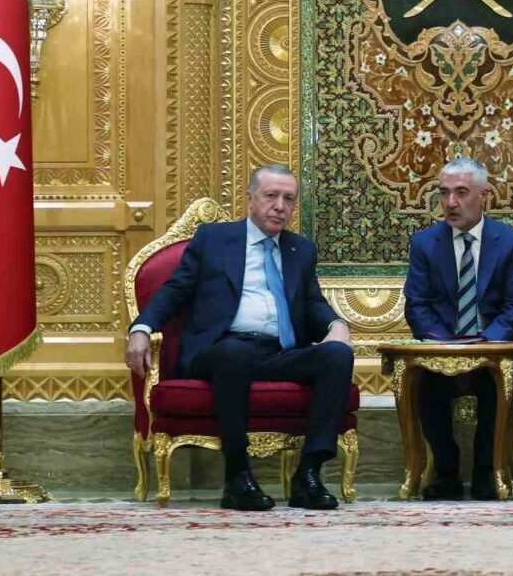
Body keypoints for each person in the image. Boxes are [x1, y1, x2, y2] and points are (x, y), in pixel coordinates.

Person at [125, 165, 354, 512]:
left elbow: (312, 303)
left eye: (288, 199)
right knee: (235, 354)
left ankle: (308, 474)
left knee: (337, 355)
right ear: (250, 199)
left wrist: (337, 325)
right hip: (221, 350)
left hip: (278, 352)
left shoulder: (300, 250)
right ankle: (237, 476)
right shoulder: (214, 239)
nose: (280, 206)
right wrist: (141, 328)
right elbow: (175, 290)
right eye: (271, 196)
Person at [402, 158, 513, 500]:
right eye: (444, 193)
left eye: (461, 193)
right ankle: (446, 472)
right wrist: (449, 348)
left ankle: (487, 471)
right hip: (442, 348)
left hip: (491, 349)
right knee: (427, 383)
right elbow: (417, 306)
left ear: (484, 195)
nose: (451, 203)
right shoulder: (425, 243)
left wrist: (485, 345)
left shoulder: (510, 241)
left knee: (495, 381)